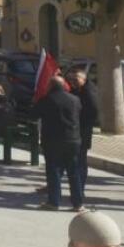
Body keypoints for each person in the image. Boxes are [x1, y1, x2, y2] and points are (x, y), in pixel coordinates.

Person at [34, 76, 84, 212]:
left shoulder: (46, 100)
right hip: (73, 140)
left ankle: (54, 202)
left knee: (54, 171)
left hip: (53, 140)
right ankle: (78, 203)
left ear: (50, 86)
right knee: (74, 172)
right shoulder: (75, 99)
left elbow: (34, 114)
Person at [67, 69, 99, 191]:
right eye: (71, 80)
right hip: (75, 131)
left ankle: (79, 189)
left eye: (75, 80)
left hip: (83, 131)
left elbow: (93, 112)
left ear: (83, 79)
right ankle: (77, 188)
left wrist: (79, 121)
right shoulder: (77, 90)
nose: (73, 82)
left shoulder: (89, 92)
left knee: (80, 161)